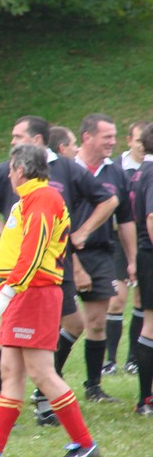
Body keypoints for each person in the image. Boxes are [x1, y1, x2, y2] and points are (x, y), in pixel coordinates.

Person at [0, 144, 100, 457]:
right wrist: (3, 289)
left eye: (10, 169)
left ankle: (84, 444)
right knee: (10, 371)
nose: (8, 175)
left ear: (21, 170)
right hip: (22, 293)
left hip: (33, 293)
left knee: (41, 372)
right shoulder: (29, 200)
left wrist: (6, 295)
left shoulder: (43, 198)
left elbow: (33, 252)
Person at [0, 116, 117, 426]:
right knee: (13, 354)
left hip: (41, 278)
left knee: (52, 350)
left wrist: (80, 234)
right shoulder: (17, 184)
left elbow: (107, 201)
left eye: (17, 136)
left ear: (36, 141)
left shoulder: (55, 183)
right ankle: (0, 427)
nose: (12, 142)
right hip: (25, 279)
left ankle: (59, 416)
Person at [54, 114, 136, 403]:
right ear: (87, 137)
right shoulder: (65, 169)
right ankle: (48, 383)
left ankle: (93, 387)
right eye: (107, 137)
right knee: (65, 323)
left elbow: (125, 220)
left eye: (114, 136)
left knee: (97, 322)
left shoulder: (116, 173)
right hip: (63, 254)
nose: (113, 142)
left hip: (101, 253)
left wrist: (131, 259)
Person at [104, 121, 149, 376]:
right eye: (138, 140)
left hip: (143, 238)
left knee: (142, 298)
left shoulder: (149, 168)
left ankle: (133, 358)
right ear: (129, 140)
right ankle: (110, 360)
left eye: (145, 141)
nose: (142, 146)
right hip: (117, 239)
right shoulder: (116, 168)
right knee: (116, 299)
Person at [128, 122, 153, 417]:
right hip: (150, 253)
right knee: (150, 326)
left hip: (145, 254)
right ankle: (145, 399)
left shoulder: (140, 171)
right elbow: (151, 217)